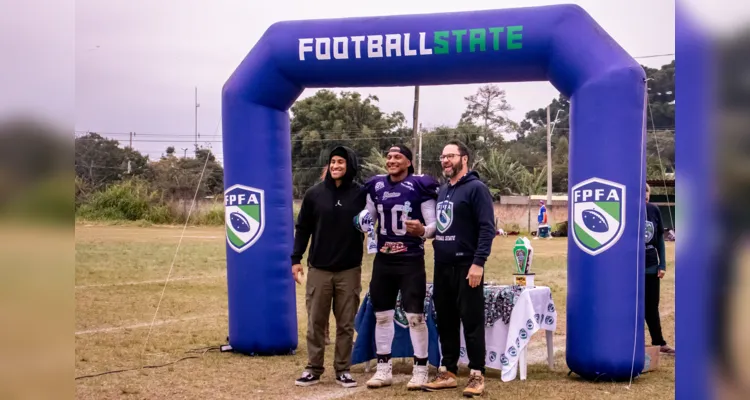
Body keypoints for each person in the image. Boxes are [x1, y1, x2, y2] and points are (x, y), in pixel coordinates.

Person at [355, 145, 439, 390]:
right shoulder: (376, 186)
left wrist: (423, 231)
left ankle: (421, 369)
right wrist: (362, 222)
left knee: (415, 317)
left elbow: (433, 225)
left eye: (397, 157)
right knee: (382, 315)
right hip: (384, 260)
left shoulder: (419, 185)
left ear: (408, 162)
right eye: (389, 156)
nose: (391, 160)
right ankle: (383, 369)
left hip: (410, 259)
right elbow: (368, 218)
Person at [419, 140, 496, 397]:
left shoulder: (476, 189)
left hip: (467, 266)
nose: (445, 161)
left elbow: (487, 228)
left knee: (471, 321)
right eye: (442, 157)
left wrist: (478, 263)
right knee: (447, 321)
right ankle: (448, 371)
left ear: (464, 159)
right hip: (443, 267)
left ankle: (476, 374)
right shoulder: (443, 191)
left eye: (450, 156)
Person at [292, 146, 367, 388]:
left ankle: (343, 369)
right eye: (333, 162)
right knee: (316, 321)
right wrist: (296, 259)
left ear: (350, 166)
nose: (335, 166)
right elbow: (303, 228)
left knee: (346, 323)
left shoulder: (361, 194)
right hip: (319, 269)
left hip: (349, 270)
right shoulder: (314, 194)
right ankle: (313, 368)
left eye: (341, 162)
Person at [644, 183, 675, 355]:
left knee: (652, 306)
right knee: (634, 307)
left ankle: (659, 342)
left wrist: (662, 264)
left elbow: (660, 241)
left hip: (651, 266)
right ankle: (632, 342)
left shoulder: (654, 210)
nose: (645, 194)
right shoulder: (626, 210)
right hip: (631, 269)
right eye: (641, 191)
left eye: (647, 191)